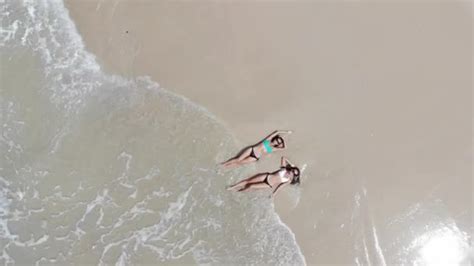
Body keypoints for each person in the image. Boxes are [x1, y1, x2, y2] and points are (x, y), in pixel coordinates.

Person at [227, 156, 301, 198]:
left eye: (295, 173)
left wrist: (274, 194)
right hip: (266, 176)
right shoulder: (284, 168)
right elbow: (283, 158)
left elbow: (280, 186)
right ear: (292, 169)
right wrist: (291, 165)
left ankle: (238, 192)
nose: (293, 172)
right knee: (248, 181)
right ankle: (232, 187)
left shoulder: (288, 180)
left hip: (268, 185)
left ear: (294, 176)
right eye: (294, 170)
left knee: (251, 186)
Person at [221, 130, 292, 168]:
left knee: (240, 163)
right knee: (238, 159)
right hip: (252, 150)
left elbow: (284, 148)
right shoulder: (268, 140)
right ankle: (223, 164)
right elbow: (277, 132)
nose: (277, 141)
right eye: (277, 140)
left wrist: (283, 141)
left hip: (255, 157)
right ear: (275, 139)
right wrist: (286, 132)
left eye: (278, 142)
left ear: (278, 144)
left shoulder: (272, 149)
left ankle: (225, 167)